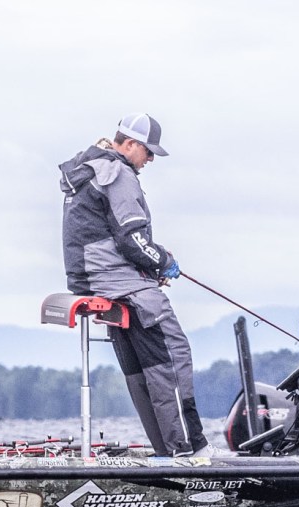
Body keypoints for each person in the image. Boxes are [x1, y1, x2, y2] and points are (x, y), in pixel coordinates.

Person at [59, 113, 216, 457]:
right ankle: (190, 449)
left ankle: (167, 449)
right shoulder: (118, 174)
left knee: (142, 368)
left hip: (93, 279)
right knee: (173, 355)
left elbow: (108, 237)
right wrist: (163, 261)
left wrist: (149, 265)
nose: (150, 160)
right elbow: (131, 238)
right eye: (148, 152)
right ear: (129, 144)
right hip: (119, 282)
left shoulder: (90, 169)